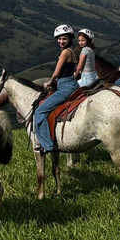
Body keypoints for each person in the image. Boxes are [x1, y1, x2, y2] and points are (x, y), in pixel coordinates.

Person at [33, 24, 79, 154]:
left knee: (40, 112)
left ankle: (47, 146)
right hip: (72, 83)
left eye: (64, 39)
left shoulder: (64, 52)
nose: (61, 41)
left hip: (65, 87)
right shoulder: (72, 51)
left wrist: (50, 82)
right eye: (59, 39)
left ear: (70, 39)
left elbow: (56, 73)